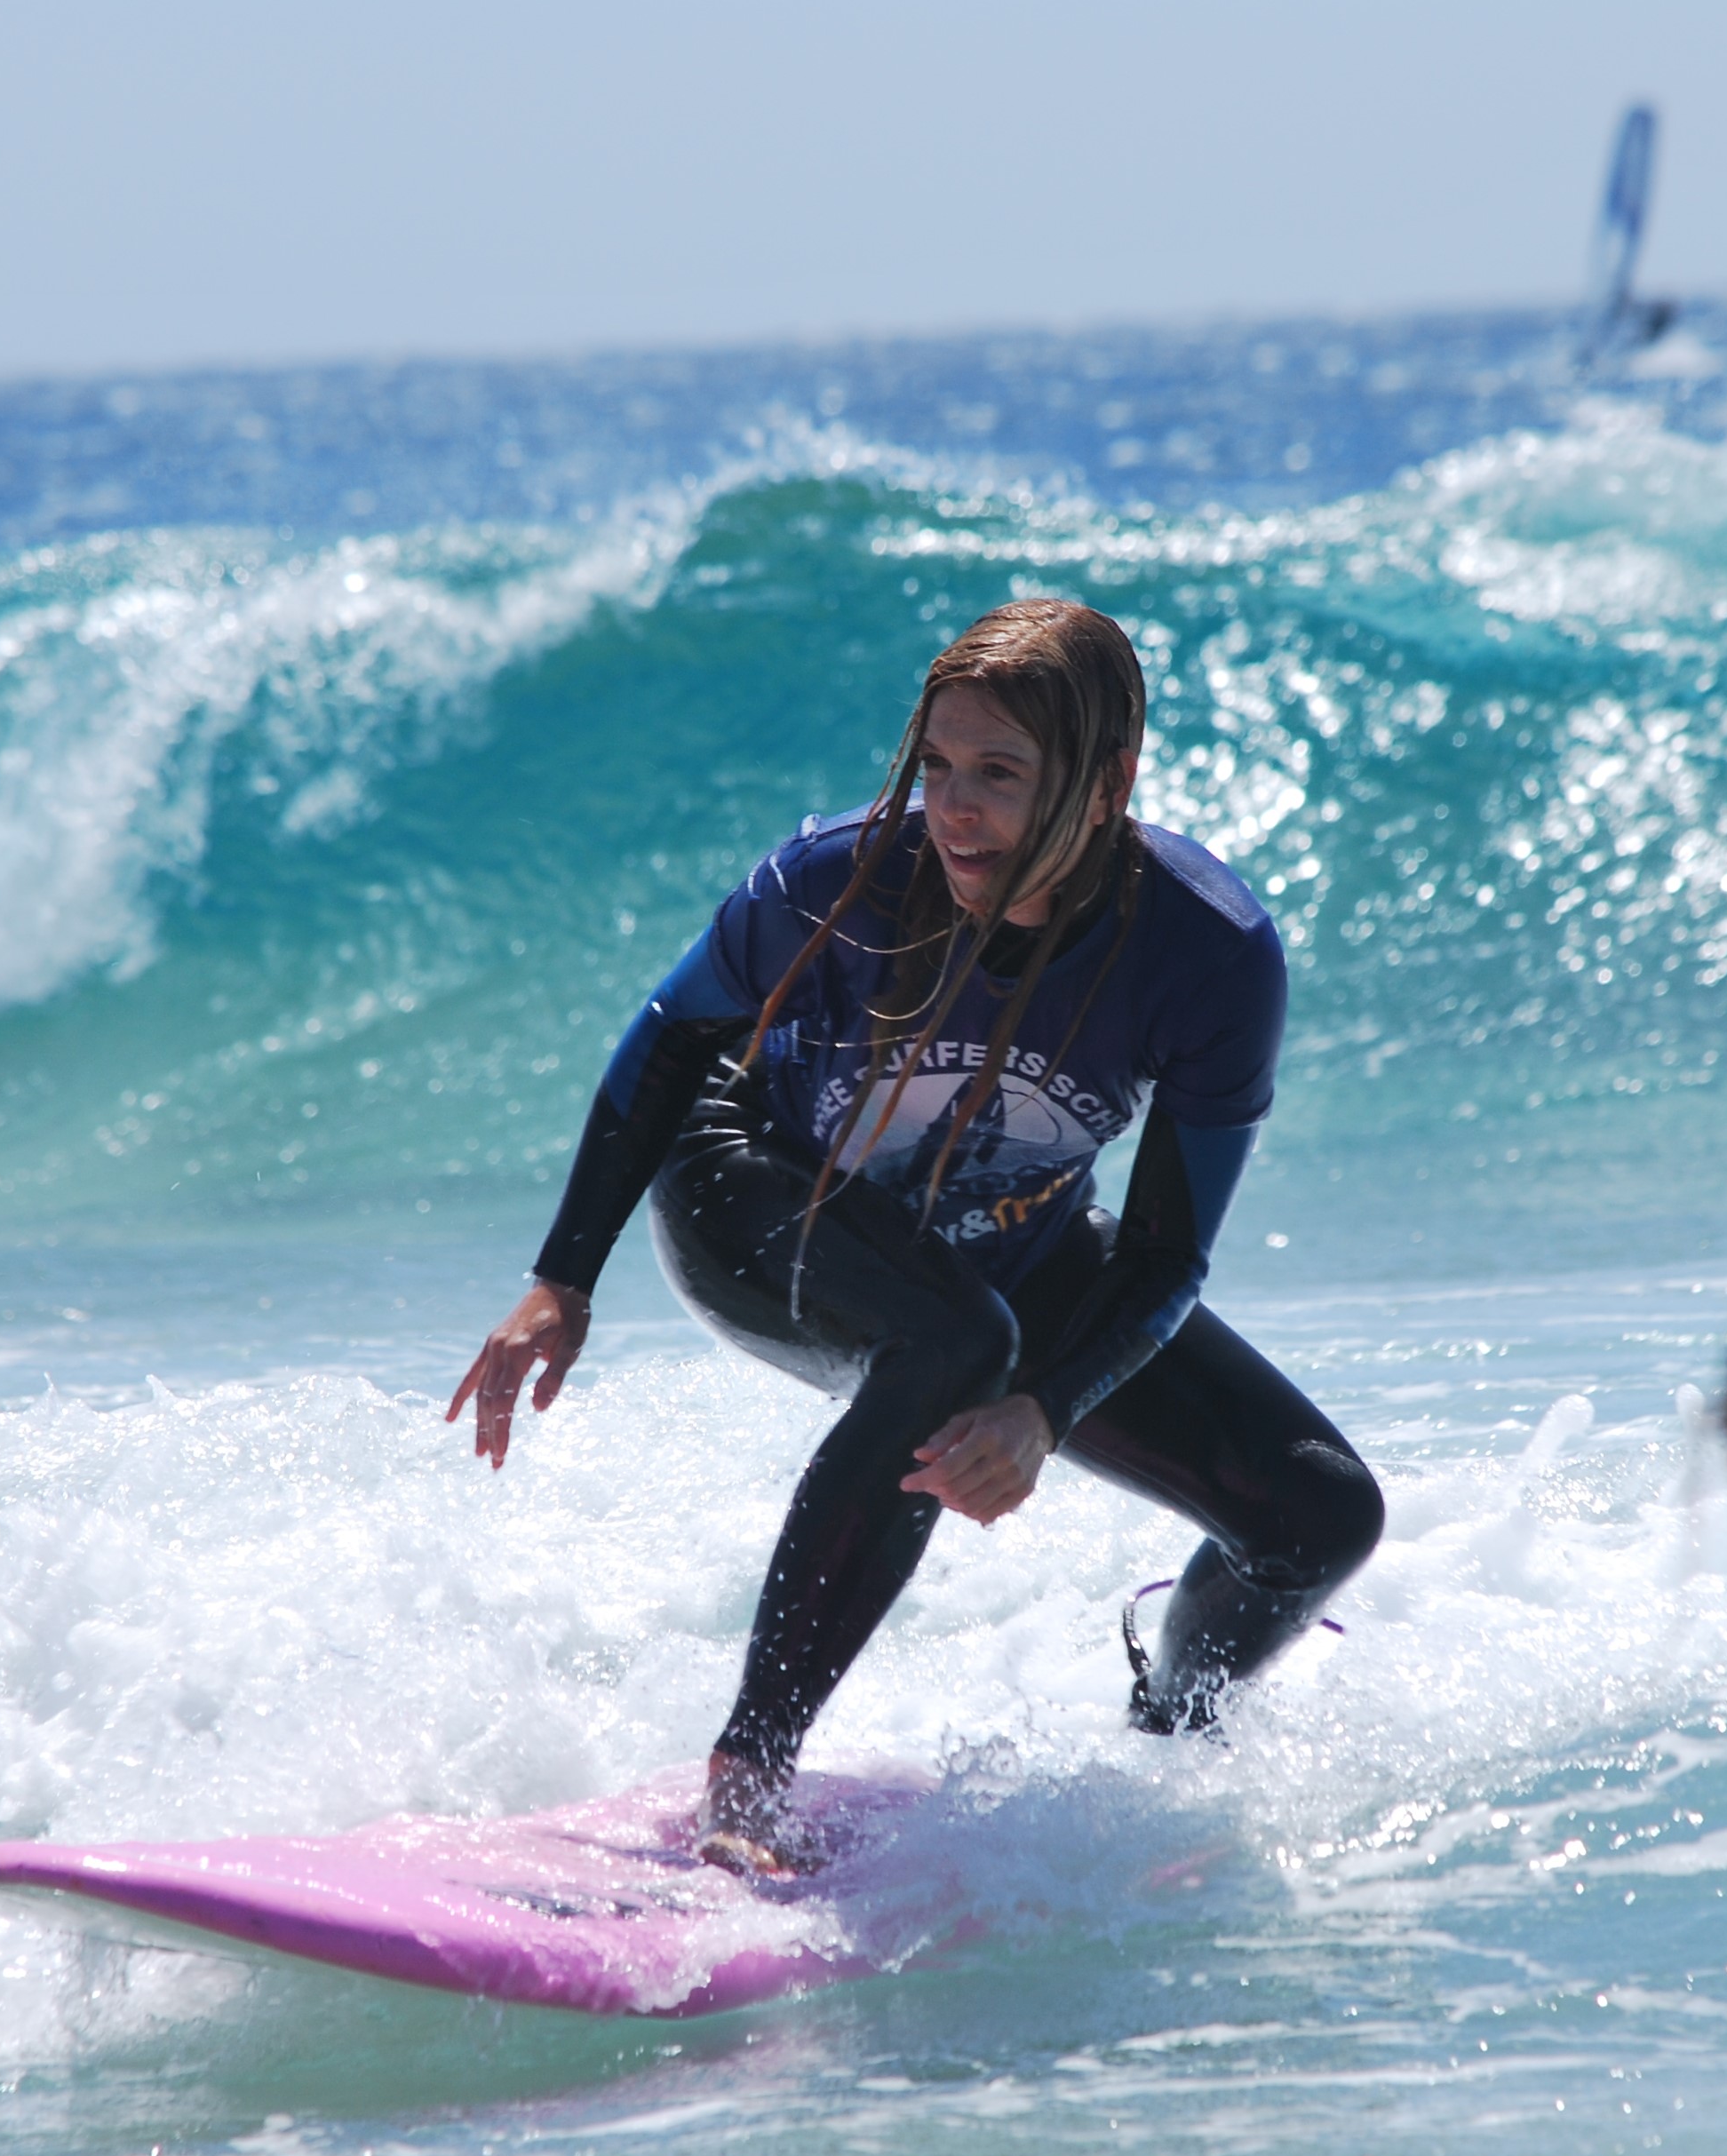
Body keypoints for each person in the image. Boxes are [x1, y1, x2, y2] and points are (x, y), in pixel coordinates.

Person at [450, 600, 1382, 1874]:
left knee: (1318, 1516)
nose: (953, 808)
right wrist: (563, 1278)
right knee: (954, 1340)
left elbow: (1164, 1256)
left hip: (1005, 1243)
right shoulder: (835, 881)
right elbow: (672, 1035)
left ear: (1108, 783)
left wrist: (1044, 1414)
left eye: (999, 774)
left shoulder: (1207, 956)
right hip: (753, 1192)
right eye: (938, 766)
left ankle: (1168, 1741)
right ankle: (747, 1779)